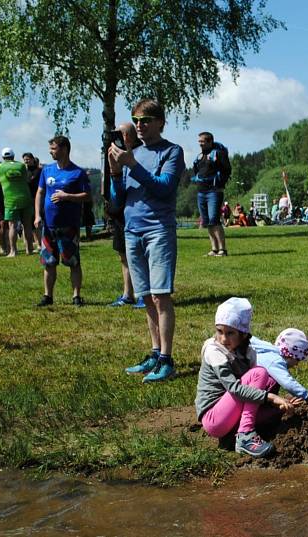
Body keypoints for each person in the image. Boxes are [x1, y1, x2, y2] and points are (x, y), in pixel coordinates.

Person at [109, 99, 185, 383]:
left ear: (161, 122)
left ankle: (167, 359)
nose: (140, 125)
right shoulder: (133, 154)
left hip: (158, 230)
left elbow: (165, 189)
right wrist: (116, 173)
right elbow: (118, 201)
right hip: (132, 230)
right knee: (145, 298)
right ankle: (154, 353)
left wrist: (131, 164)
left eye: (146, 120)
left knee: (160, 295)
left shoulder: (172, 152)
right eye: (136, 120)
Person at [195, 297, 297, 457]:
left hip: (231, 413)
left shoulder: (248, 353)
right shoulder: (214, 351)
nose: (223, 338)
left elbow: (252, 392)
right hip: (214, 418)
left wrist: (278, 402)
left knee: (277, 411)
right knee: (260, 373)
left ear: (243, 334)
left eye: (230, 333)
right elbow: (235, 389)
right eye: (219, 331)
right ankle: (245, 435)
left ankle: (233, 435)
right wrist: (270, 397)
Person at [34, 136, 91, 307]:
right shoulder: (47, 170)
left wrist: (67, 196)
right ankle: (48, 296)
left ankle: (76, 296)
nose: (50, 152)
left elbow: (87, 196)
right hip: (49, 225)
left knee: (73, 262)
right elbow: (40, 192)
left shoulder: (78, 172)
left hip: (69, 226)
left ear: (64, 149)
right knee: (48, 262)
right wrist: (37, 215)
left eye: (53, 148)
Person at [107, 122, 144, 309]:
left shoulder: (140, 153)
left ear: (129, 136)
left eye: (120, 134)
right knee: (123, 254)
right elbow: (115, 184)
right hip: (119, 209)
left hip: (136, 209)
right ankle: (127, 294)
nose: (116, 137)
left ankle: (144, 295)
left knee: (139, 255)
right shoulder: (113, 153)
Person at [0, 147, 34, 256]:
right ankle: (29, 249)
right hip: (26, 198)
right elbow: (27, 178)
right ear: (13, 156)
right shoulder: (21, 165)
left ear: (3, 157)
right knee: (27, 225)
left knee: (12, 225)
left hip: (10, 200)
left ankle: (13, 251)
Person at [192, 132, 231, 256]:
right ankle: (214, 249)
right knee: (207, 221)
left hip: (214, 192)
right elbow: (196, 171)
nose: (200, 144)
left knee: (214, 220)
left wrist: (219, 184)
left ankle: (222, 249)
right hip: (201, 192)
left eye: (202, 141)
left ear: (210, 141)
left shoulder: (218, 154)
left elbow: (227, 170)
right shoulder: (200, 156)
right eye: (199, 141)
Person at [253, 328, 308, 405]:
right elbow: (287, 382)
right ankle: (264, 406)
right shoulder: (275, 361)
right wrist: (306, 396)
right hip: (249, 392)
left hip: (247, 384)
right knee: (273, 381)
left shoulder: (269, 350)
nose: (296, 364)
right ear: (291, 355)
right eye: (298, 360)